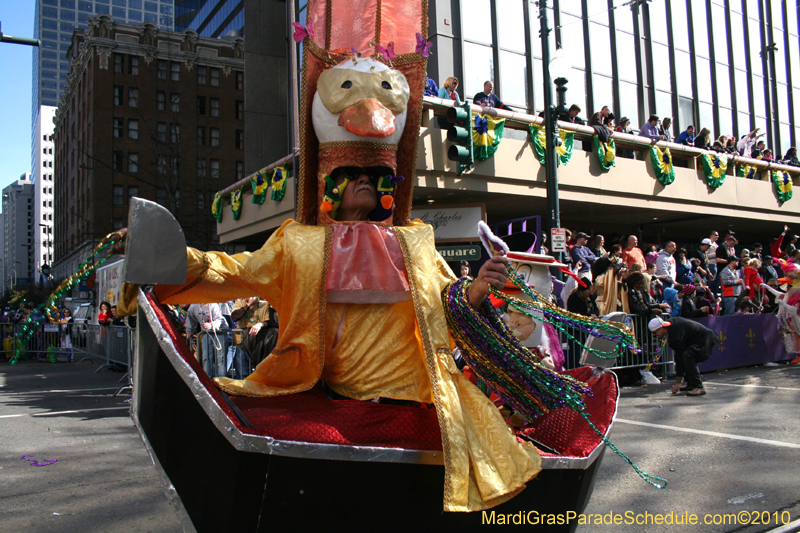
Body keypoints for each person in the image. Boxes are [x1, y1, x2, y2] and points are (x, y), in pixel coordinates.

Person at [649, 316, 719, 396]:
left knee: (688, 356)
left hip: (705, 339)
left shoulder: (675, 332)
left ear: (662, 328)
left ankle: (698, 387)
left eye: (655, 332)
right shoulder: (670, 326)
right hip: (696, 340)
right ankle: (691, 384)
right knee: (686, 356)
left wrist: (678, 382)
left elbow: (679, 357)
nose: (654, 335)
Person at [231, 297, 279, 367]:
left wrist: (260, 324)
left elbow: (270, 321)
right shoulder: (239, 303)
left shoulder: (264, 304)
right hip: (241, 343)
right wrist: (249, 305)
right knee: (242, 372)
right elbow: (234, 317)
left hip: (258, 344)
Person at [185, 302, 225, 378]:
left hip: (219, 333)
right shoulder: (194, 306)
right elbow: (190, 319)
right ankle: (208, 379)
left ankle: (222, 381)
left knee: (220, 359)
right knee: (206, 358)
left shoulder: (213, 305)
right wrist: (189, 332)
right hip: (205, 334)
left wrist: (212, 325)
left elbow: (220, 319)